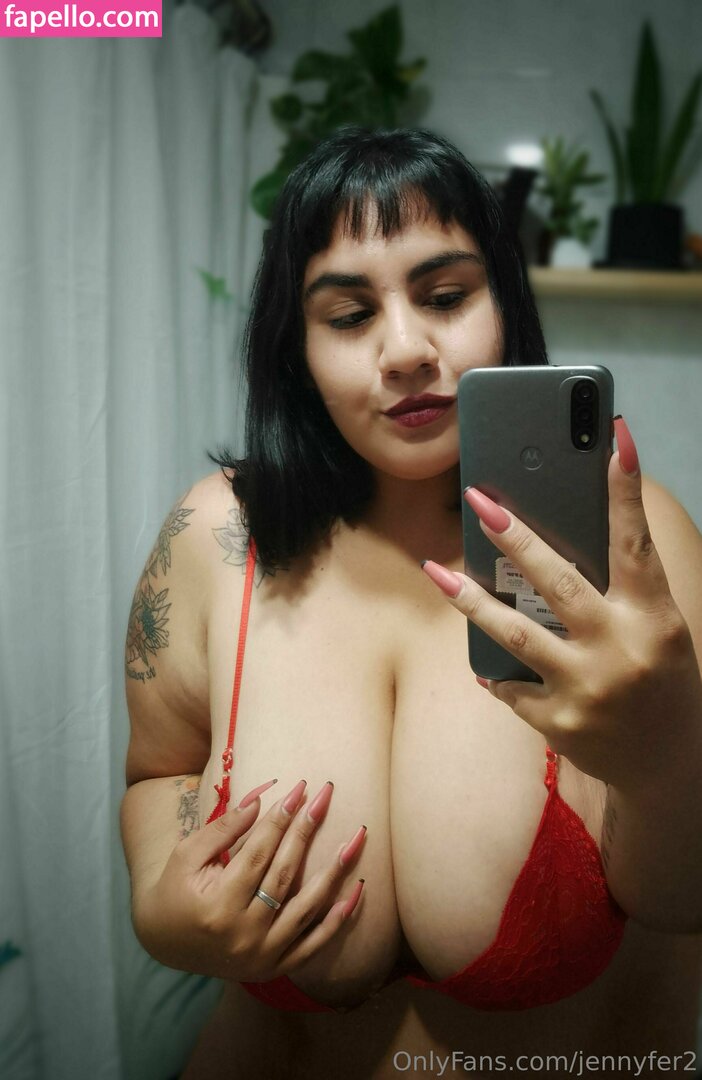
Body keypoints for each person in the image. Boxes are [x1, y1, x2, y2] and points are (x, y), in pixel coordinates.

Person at [121, 127, 702, 1079]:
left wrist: (664, 755)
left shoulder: (630, 544)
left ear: (503, 302)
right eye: (349, 315)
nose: (404, 350)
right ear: (297, 346)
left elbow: (683, 903)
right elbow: (158, 772)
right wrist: (159, 909)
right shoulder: (215, 537)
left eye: (444, 296)